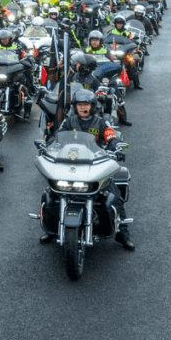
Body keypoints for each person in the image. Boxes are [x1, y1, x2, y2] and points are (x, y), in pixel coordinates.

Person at [51, 89, 134, 251]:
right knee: (51, 192)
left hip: (95, 164)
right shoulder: (69, 122)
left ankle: (123, 234)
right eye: (80, 104)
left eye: (86, 104)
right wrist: (51, 145)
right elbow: (58, 136)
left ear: (92, 105)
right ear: (75, 106)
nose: (83, 107)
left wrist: (115, 144)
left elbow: (110, 135)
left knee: (114, 195)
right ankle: (51, 228)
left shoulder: (100, 122)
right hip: (71, 165)